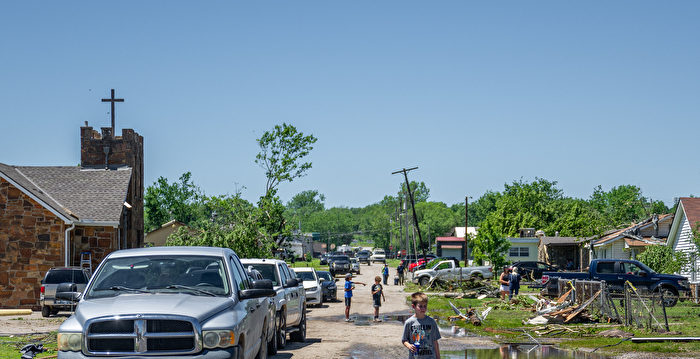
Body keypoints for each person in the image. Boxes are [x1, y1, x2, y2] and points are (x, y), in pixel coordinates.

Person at [402, 292, 441, 359]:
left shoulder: (431, 322)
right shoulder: (409, 322)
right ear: (413, 306)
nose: (423, 309)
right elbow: (404, 340)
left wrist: (438, 357)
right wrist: (409, 346)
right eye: (420, 306)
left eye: (425, 306)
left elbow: (435, 341)